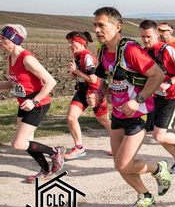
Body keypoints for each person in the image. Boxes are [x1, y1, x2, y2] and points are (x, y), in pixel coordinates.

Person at [88, 7, 171, 207]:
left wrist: (137, 100)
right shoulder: (102, 49)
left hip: (139, 114)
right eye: (95, 25)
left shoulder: (130, 50)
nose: (97, 29)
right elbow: (106, 78)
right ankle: (144, 195)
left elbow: (157, 76)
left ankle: (159, 169)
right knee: (120, 165)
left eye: (101, 25)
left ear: (117, 27)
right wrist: (101, 93)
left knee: (124, 163)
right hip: (118, 114)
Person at [0, 24, 64, 183]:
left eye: (3, 38)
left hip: (37, 103)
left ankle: (55, 152)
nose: (0, 41)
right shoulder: (10, 57)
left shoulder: (27, 59)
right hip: (24, 103)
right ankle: (45, 169)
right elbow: (14, 82)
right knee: (26, 142)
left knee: (18, 143)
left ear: (14, 40)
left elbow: (51, 82)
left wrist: (33, 101)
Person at [139, 20, 175, 174]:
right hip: (155, 96)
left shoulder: (167, 50)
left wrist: (169, 82)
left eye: (149, 36)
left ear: (157, 35)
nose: (146, 40)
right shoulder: (143, 51)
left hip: (172, 96)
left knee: (159, 135)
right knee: (158, 134)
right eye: (142, 37)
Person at [63, 31, 112, 160]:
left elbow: (93, 79)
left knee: (103, 120)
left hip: (95, 92)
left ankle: (119, 143)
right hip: (82, 91)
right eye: (69, 42)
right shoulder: (77, 55)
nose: (70, 45)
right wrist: (74, 74)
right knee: (71, 117)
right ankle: (79, 147)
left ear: (81, 43)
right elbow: (79, 74)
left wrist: (76, 71)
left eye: (72, 42)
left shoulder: (87, 57)